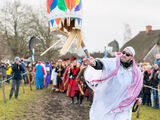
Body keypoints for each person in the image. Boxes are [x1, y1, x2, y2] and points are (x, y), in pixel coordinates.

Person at [85, 46, 143, 120]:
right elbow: (102, 64)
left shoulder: (135, 72)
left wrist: (139, 97)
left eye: (127, 54)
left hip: (123, 106)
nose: (124, 55)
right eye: (123, 52)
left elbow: (137, 86)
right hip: (108, 103)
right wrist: (94, 63)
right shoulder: (113, 62)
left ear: (132, 58)